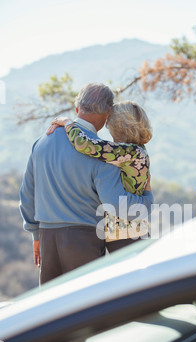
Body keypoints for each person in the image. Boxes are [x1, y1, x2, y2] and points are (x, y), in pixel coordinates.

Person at [19, 83, 153, 284]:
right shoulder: (103, 154)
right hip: (84, 240)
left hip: (47, 236)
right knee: (86, 307)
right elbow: (116, 204)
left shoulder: (42, 142)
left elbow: (27, 194)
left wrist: (35, 235)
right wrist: (148, 200)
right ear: (108, 113)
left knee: (52, 309)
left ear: (77, 108)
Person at [46, 100, 152, 253]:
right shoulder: (138, 150)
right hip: (132, 232)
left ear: (118, 125)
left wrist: (68, 122)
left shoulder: (128, 152)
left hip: (126, 235)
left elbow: (84, 144)